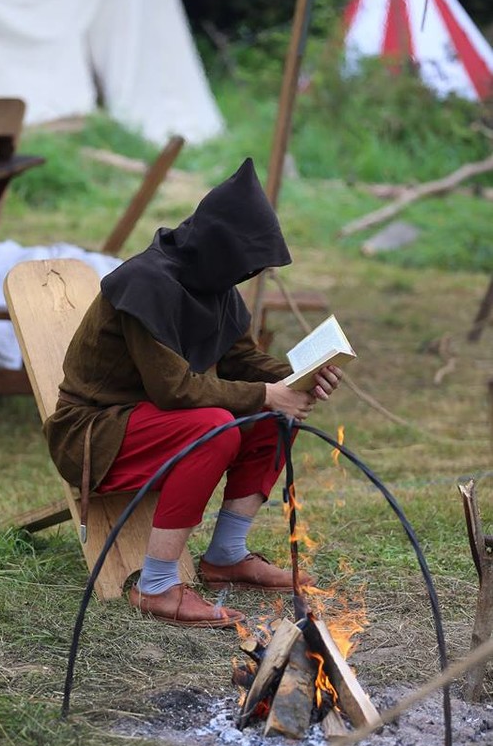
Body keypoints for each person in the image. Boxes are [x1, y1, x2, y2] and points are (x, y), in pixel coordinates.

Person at [44, 158, 342, 628]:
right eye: (243, 263)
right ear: (219, 249)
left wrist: (299, 376)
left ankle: (226, 555)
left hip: (152, 423)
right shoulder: (144, 284)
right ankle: (156, 585)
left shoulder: (213, 284)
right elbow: (175, 390)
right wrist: (268, 394)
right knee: (216, 427)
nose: (246, 275)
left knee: (271, 416)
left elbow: (243, 361)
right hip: (93, 434)